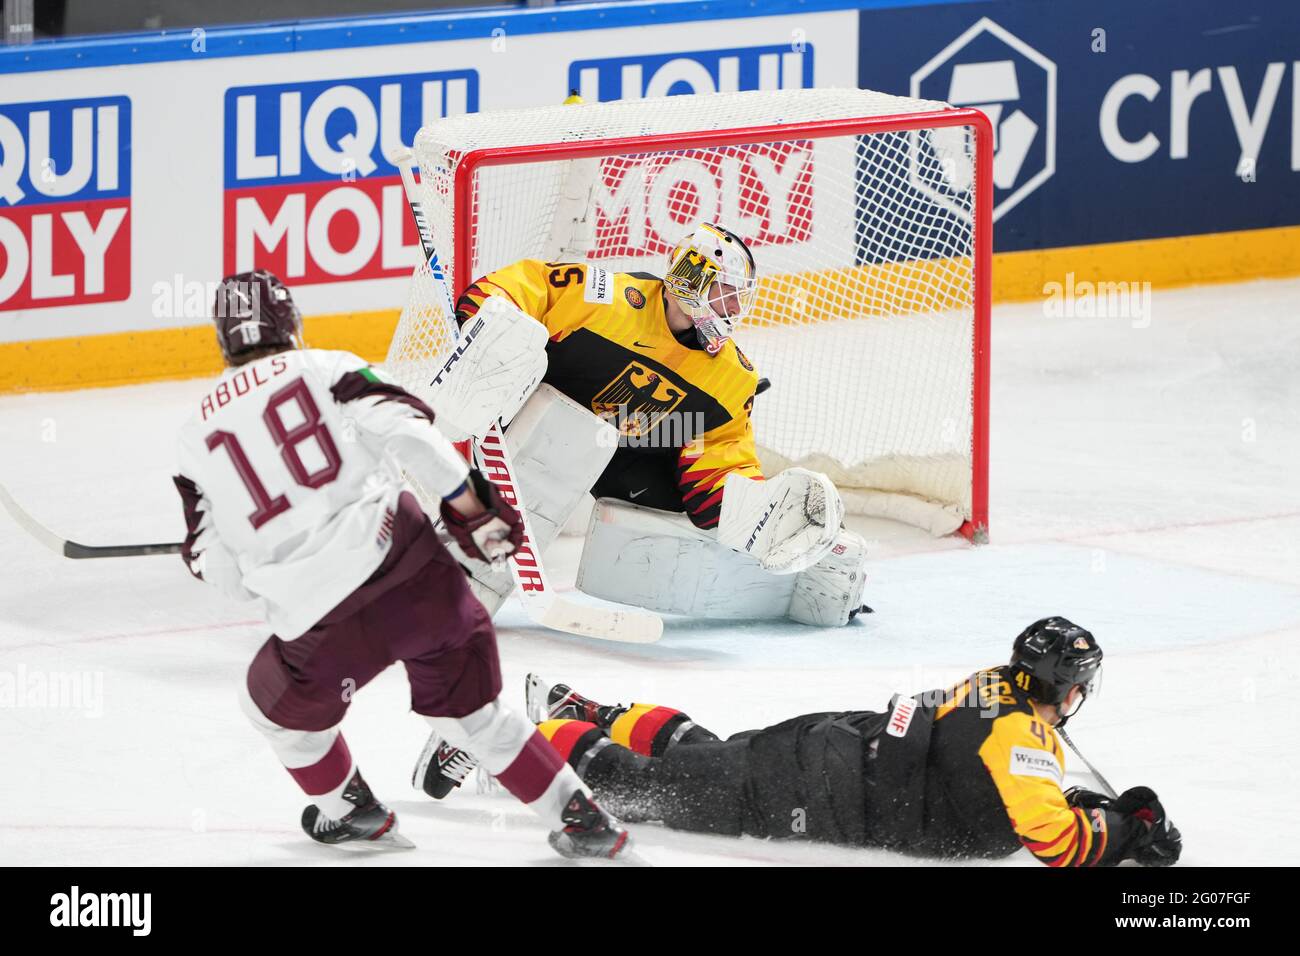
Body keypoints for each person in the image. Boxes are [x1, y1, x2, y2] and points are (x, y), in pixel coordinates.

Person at [172, 269, 629, 859]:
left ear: (222, 338)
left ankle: (351, 810)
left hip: (321, 616)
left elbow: (216, 566)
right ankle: (583, 819)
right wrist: (471, 506)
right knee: (476, 718)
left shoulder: (193, 435)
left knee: (273, 712)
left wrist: (261, 570)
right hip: (411, 565)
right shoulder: (327, 366)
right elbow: (410, 431)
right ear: (290, 323)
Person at [411, 223, 871, 798]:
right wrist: (496, 325)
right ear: (690, 281)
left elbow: (716, 461)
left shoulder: (730, 376)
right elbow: (522, 287)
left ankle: (818, 576)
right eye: (725, 291)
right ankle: (451, 584)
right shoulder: (606, 296)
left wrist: (748, 507)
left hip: (630, 451)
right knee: (560, 443)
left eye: (737, 296)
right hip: (537, 425)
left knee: (715, 523)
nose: (732, 309)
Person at [524, 617, 1182, 866]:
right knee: (639, 788)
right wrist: (1129, 832)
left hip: (827, 747)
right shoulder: (1026, 737)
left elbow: (979, 771)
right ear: (1066, 686)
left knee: (705, 752)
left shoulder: (991, 684)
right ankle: (517, 739)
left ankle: (593, 711)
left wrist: (1075, 803)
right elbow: (1058, 844)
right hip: (812, 790)